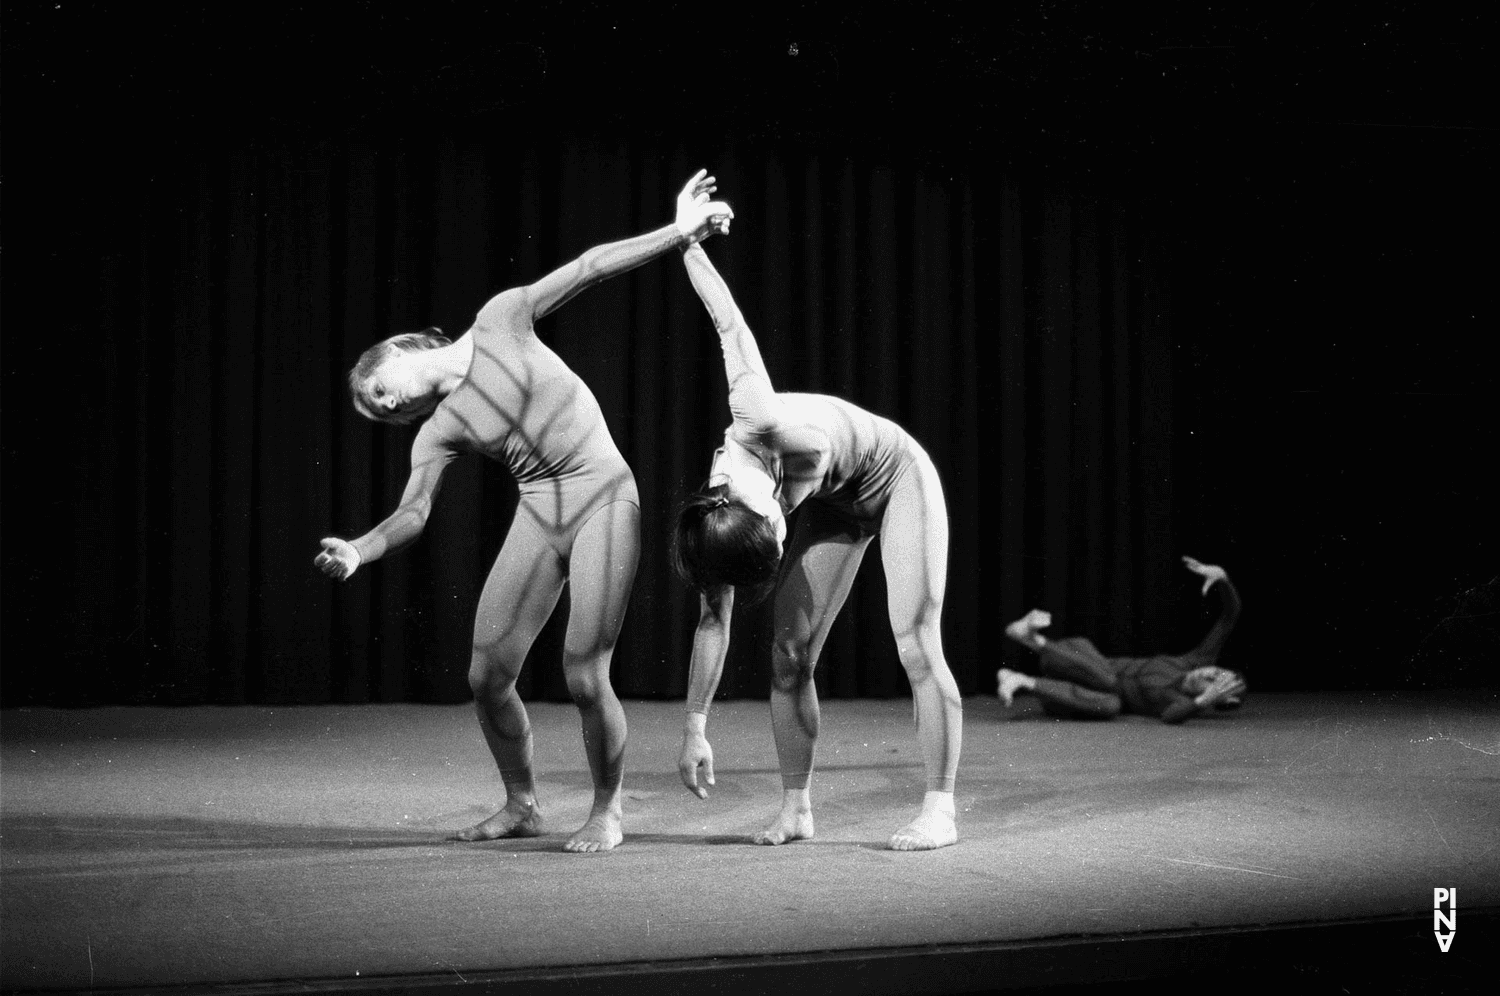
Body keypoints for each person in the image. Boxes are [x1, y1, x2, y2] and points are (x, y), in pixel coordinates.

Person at [314, 171, 733, 853]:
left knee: (582, 670)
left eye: (378, 390)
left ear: (399, 351)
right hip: (541, 513)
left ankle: (607, 809)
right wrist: (360, 549)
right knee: (486, 673)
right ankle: (522, 803)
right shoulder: (438, 429)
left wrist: (678, 232)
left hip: (604, 496)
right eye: (375, 410)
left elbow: (590, 268)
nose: (384, 407)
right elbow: (413, 512)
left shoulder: (501, 317)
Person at [670, 236, 964, 851]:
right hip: (839, 505)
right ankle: (797, 808)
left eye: (777, 536)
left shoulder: (757, 416)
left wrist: (686, 240)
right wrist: (695, 725)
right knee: (788, 652)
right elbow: (712, 621)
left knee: (914, 639)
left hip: (897, 474)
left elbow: (728, 323)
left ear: (764, 515)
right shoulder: (713, 529)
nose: (781, 537)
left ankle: (939, 809)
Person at [997, 556, 1246, 723]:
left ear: (1219, 698)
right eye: (1214, 671)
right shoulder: (1194, 662)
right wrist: (1223, 579)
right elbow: (1229, 617)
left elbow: (1171, 717)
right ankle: (1033, 640)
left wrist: (1203, 701)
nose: (1205, 675)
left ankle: (1024, 679)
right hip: (1072, 658)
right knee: (1107, 676)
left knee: (1112, 705)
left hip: (1065, 695)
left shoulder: (1178, 701)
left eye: (1212, 683)